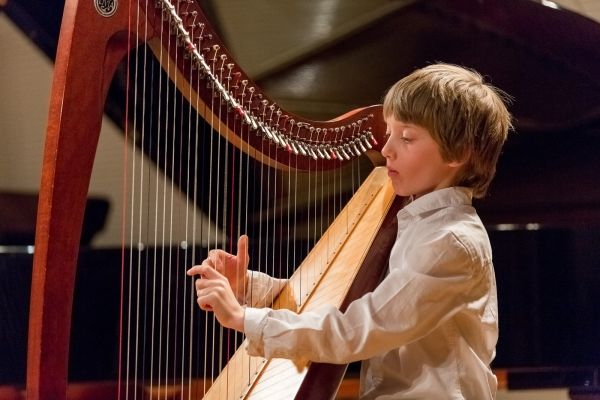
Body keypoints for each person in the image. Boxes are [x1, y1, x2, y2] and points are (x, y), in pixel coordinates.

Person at [187, 63, 513, 399]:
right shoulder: (420, 222)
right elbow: (341, 304)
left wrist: (244, 318)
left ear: (457, 152)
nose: (386, 149)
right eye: (389, 133)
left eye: (406, 137)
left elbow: (356, 329)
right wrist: (250, 287)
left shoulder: (449, 242)